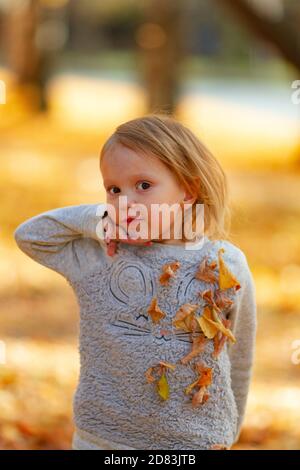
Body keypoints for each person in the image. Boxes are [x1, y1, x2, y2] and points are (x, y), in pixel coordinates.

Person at [14, 114, 257, 450]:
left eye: (143, 185)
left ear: (188, 190)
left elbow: (239, 354)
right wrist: (97, 219)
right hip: (104, 437)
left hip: (194, 442)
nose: (125, 202)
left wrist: (230, 431)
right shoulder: (102, 255)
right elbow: (31, 235)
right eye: (114, 189)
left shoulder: (224, 265)